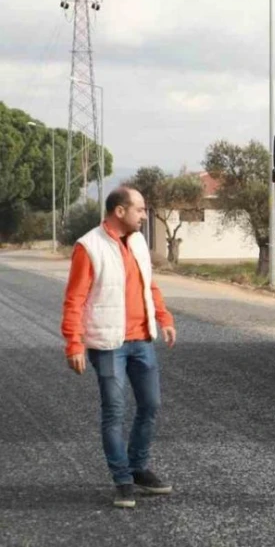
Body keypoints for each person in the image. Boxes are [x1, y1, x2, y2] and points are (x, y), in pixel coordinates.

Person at [60, 186, 177, 509]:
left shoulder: (138, 242)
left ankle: (138, 467)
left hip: (142, 340)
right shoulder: (89, 247)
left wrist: (164, 318)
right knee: (114, 411)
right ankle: (122, 479)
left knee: (150, 406)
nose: (144, 214)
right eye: (139, 209)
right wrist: (74, 342)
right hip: (108, 343)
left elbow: (148, 284)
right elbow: (75, 299)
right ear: (120, 211)